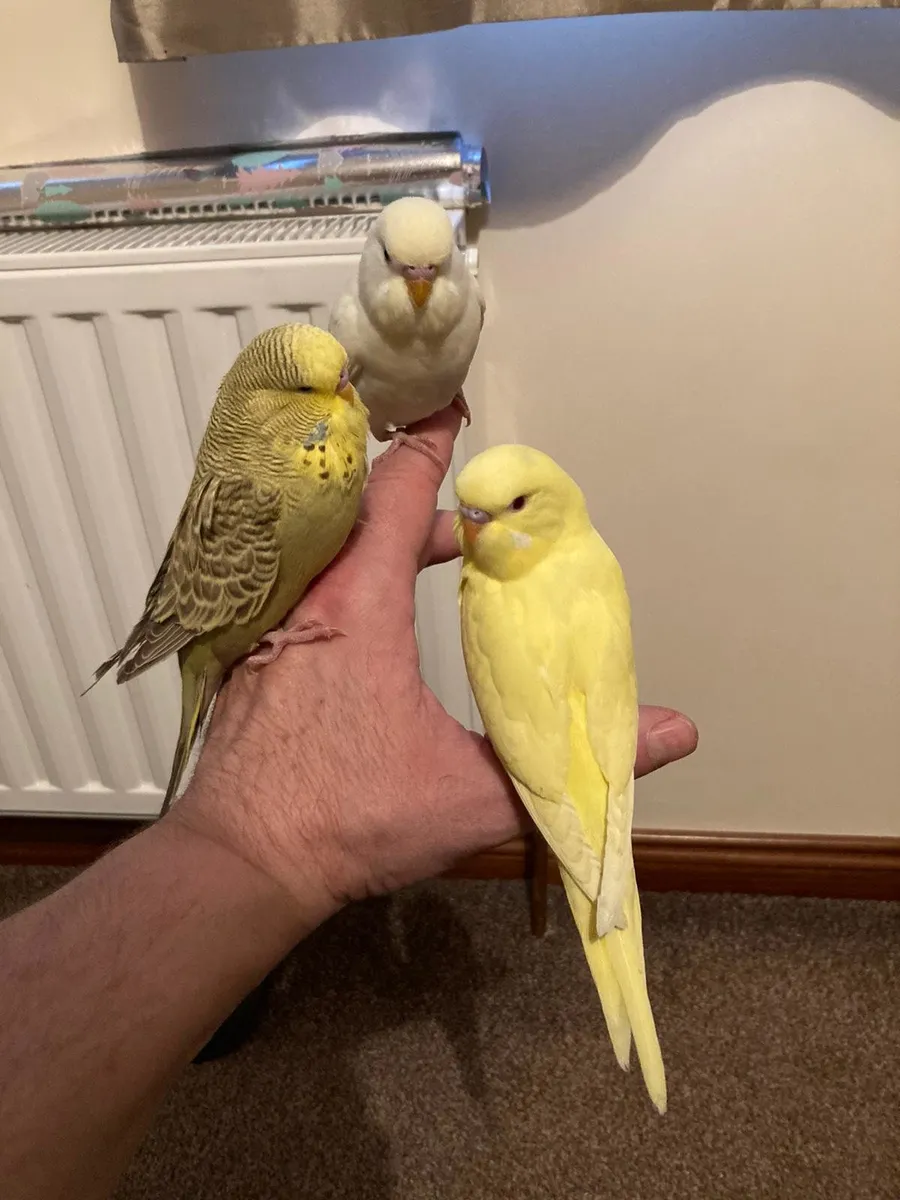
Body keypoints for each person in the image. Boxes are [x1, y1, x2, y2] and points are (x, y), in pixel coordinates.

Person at [0, 406, 697, 1200]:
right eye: (466, 512)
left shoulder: (517, 588)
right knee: (608, 906)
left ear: (555, 505)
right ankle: (625, 995)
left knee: (609, 901)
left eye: (504, 510)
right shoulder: (580, 568)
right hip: (572, 771)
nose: (472, 528)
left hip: (575, 771)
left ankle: (624, 985)